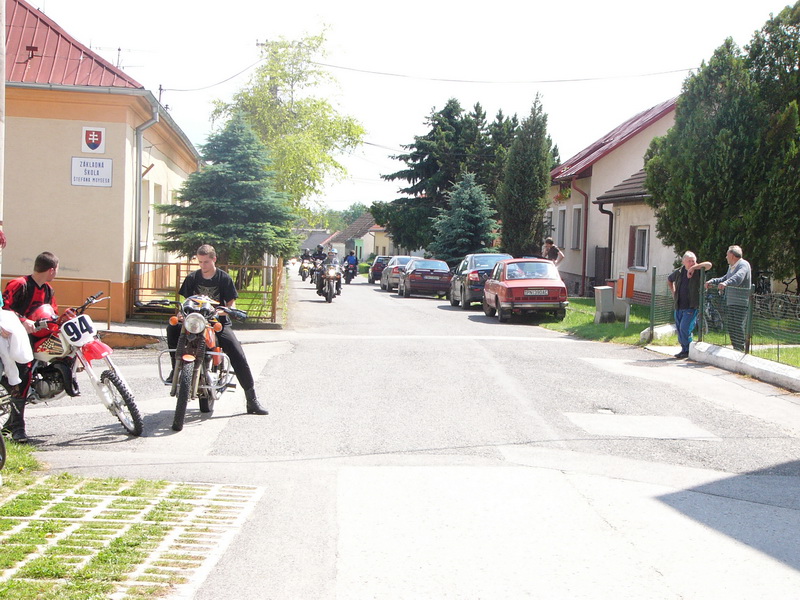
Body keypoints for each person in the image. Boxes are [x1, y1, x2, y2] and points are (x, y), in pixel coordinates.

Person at [166, 244, 268, 416]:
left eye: (206, 262)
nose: (202, 265)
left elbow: (231, 304)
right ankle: (175, 368)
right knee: (172, 328)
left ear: (214, 259)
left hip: (217, 322)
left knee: (236, 352)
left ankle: (251, 400)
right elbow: (186, 302)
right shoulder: (192, 278)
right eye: (200, 262)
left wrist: (224, 311)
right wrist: (181, 314)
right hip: (195, 322)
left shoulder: (224, 278)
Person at [1, 251, 67, 442]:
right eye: (57, 269)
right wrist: (23, 321)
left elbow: (52, 313)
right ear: (52, 270)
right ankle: (17, 429)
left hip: (38, 337)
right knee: (23, 375)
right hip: (14, 338)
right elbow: (4, 308)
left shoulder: (48, 290)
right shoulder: (19, 284)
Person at [705, 245, 752, 352]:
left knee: (738, 326)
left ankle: (740, 349)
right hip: (731, 301)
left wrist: (726, 283)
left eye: (727, 255)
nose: (726, 257)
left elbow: (738, 277)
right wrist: (713, 281)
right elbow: (725, 278)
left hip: (741, 302)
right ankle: (735, 348)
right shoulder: (731, 267)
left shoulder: (743, 265)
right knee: (731, 326)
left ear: (732, 255)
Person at [667, 251, 712, 359]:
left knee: (685, 328)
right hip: (679, 306)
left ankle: (688, 350)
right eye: (689, 261)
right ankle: (684, 349)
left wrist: (693, 268)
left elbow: (709, 265)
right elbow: (669, 280)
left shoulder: (698, 271)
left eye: (693, 261)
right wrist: (673, 293)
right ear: (683, 262)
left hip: (691, 306)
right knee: (680, 329)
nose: (692, 263)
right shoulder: (679, 272)